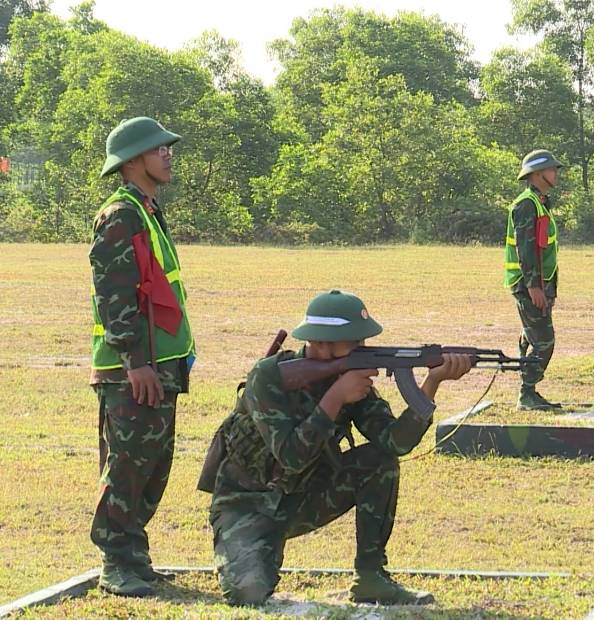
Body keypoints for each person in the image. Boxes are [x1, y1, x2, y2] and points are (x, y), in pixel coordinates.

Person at [205, 290, 473, 606]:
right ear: (322, 344)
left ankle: (371, 578)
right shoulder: (269, 377)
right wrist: (336, 397)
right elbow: (291, 456)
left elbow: (393, 443)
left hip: (304, 498)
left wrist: (431, 385)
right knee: (247, 593)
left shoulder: (351, 378)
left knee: (378, 461)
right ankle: (259, 553)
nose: (363, 348)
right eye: (356, 342)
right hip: (246, 504)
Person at [89, 117, 194, 597]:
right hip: (134, 367)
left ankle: (134, 557)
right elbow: (114, 295)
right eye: (158, 148)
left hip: (159, 361)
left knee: (152, 464)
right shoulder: (121, 214)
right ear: (133, 160)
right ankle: (116, 562)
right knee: (128, 465)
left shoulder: (146, 209)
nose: (168, 154)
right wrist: (135, 362)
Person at [504, 149, 563, 410]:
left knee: (532, 336)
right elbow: (526, 249)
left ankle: (528, 392)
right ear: (538, 174)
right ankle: (526, 393)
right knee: (544, 342)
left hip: (540, 283)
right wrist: (534, 286)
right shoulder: (527, 204)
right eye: (552, 169)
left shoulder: (539, 202)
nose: (556, 173)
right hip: (529, 284)